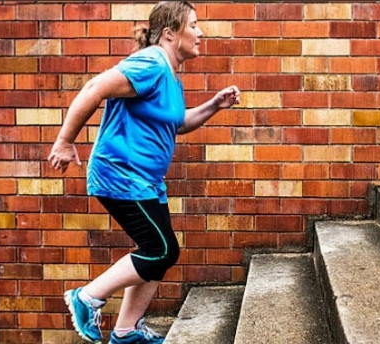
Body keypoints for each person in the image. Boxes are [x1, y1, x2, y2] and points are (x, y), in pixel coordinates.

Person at [47, 2, 240, 343]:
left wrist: (213, 105)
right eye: (193, 26)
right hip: (121, 175)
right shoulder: (150, 63)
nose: (200, 33)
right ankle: (87, 297)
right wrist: (64, 141)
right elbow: (94, 89)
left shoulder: (169, 74)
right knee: (162, 250)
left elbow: (177, 125)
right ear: (170, 34)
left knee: (154, 254)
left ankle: (125, 331)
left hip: (146, 181)